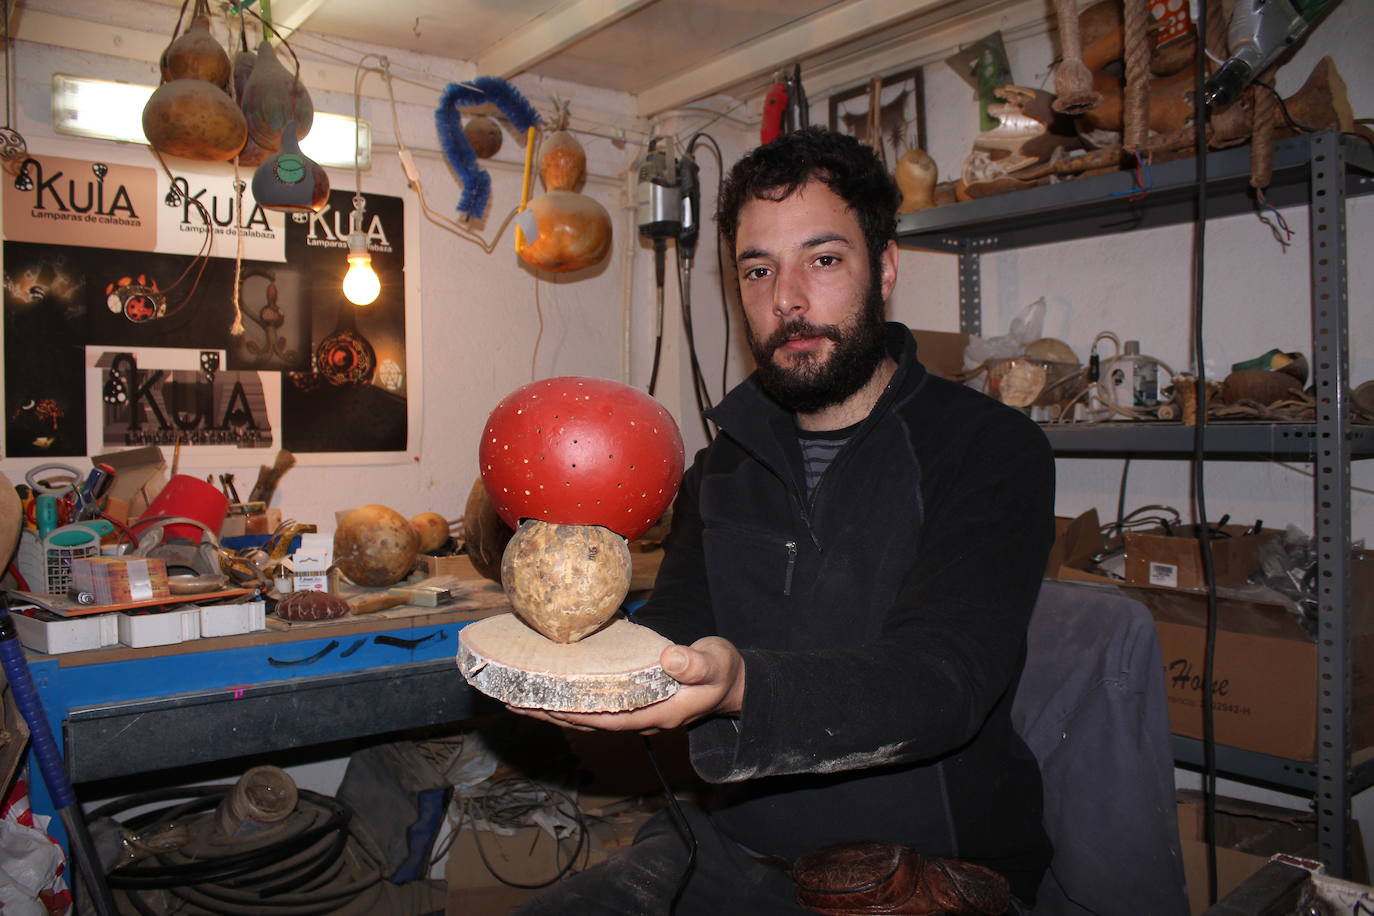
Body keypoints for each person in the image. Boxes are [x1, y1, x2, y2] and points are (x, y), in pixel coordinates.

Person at [514, 127, 1055, 915]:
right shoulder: (720, 468)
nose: (787, 300)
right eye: (758, 270)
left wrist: (741, 685)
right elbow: (675, 629)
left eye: (823, 260)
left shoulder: (988, 448)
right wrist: (591, 660)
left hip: (924, 870)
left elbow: (943, 681)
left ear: (885, 268)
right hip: (733, 845)